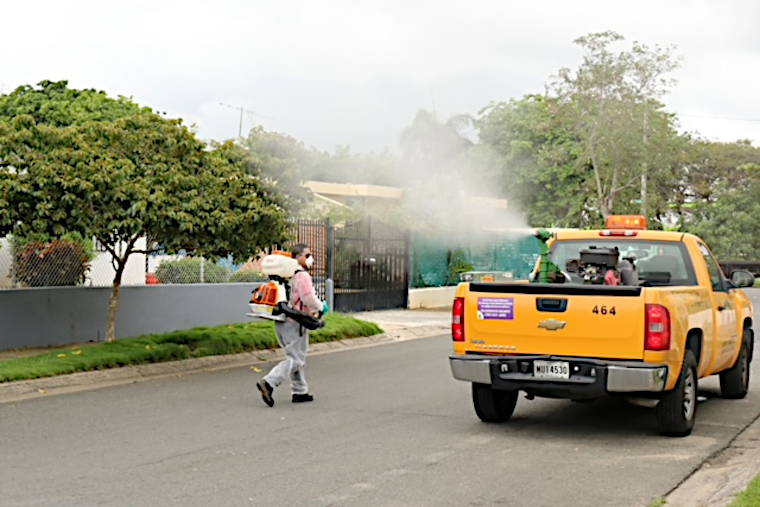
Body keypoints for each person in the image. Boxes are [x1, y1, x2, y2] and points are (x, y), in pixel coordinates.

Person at [256, 243, 327, 407]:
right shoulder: (302, 275)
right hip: (296, 322)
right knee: (296, 359)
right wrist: (320, 307)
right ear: (297, 258)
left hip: (282, 321)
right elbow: (308, 297)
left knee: (295, 356)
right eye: (307, 255)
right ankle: (269, 382)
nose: (310, 259)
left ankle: (299, 391)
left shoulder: (285, 276)